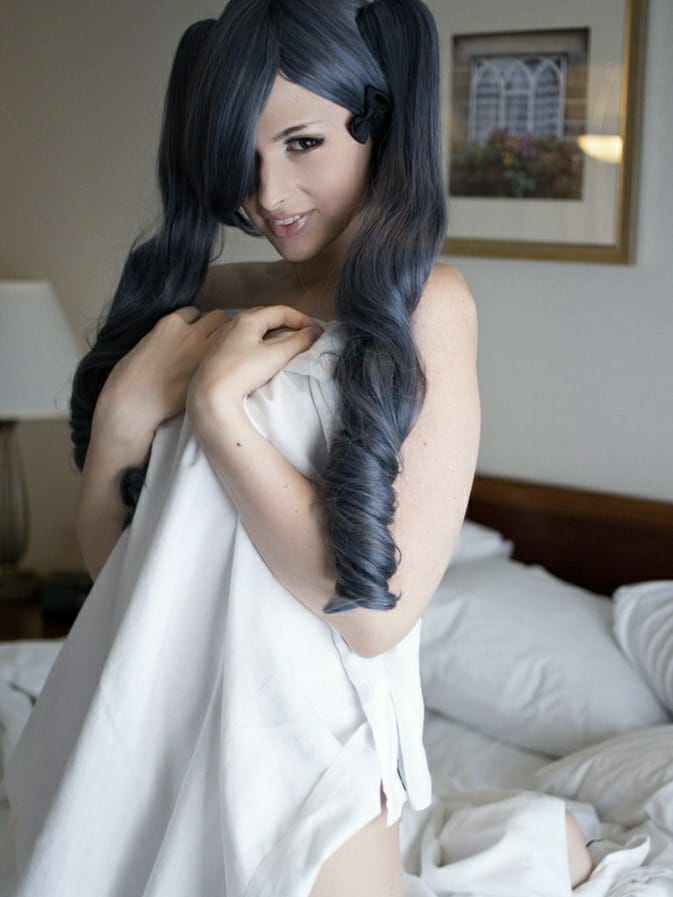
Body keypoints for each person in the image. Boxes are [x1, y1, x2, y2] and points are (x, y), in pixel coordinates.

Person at [2, 1, 591, 895]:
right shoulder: (210, 293)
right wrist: (123, 414)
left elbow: (374, 619)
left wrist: (218, 411)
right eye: (241, 157)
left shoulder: (428, 306)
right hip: (146, 711)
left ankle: (541, 845)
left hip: (310, 747)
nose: (268, 194)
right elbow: (116, 566)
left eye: (303, 143)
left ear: (376, 122)